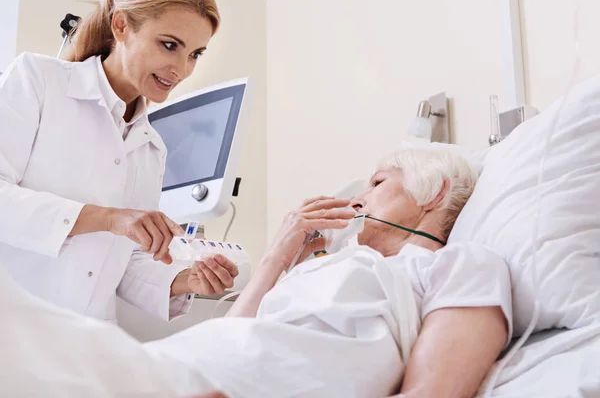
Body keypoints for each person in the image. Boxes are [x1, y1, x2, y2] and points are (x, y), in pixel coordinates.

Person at [1, 145, 513, 397]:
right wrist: (280, 253)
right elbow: (232, 334)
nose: (357, 197)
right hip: (185, 366)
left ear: (435, 192)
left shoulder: (460, 265)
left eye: (378, 183)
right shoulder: (325, 266)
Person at [0, 0, 239, 323]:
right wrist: (109, 218)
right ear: (121, 26)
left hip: (86, 342)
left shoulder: (152, 148)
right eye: (170, 45)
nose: (182, 70)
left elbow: (124, 262)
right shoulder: (39, 80)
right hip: (14, 327)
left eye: (195, 54)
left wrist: (183, 280)